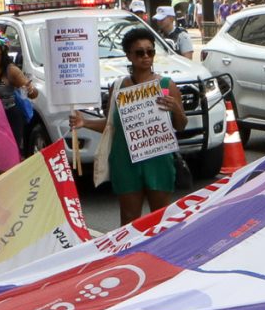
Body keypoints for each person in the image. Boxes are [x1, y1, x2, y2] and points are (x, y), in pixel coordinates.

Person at [72, 27, 182, 221]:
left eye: (151, 51)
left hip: (158, 159)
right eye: (140, 53)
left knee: (160, 220)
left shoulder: (167, 85)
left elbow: (180, 125)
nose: (146, 57)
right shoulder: (119, 87)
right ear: (129, 56)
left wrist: (176, 109)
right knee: (129, 221)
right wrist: (84, 122)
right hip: (126, 161)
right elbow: (111, 125)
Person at [0, 34, 38, 150]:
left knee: (9, 152)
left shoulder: (11, 70)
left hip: (9, 118)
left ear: (1, 49)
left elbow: (33, 94)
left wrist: (30, 89)